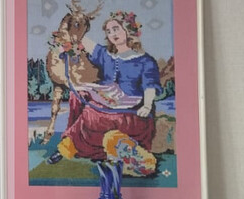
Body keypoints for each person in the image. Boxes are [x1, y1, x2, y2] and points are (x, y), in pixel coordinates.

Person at [46, 10, 162, 176]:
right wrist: (68, 34)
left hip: (131, 109)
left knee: (91, 114)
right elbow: (80, 38)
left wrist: (147, 105)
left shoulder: (145, 60)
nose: (112, 34)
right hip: (106, 98)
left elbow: (150, 85)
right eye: (108, 31)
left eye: (116, 29)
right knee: (77, 96)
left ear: (128, 30)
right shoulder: (106, 55)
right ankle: (70, 145)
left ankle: (73, 145)